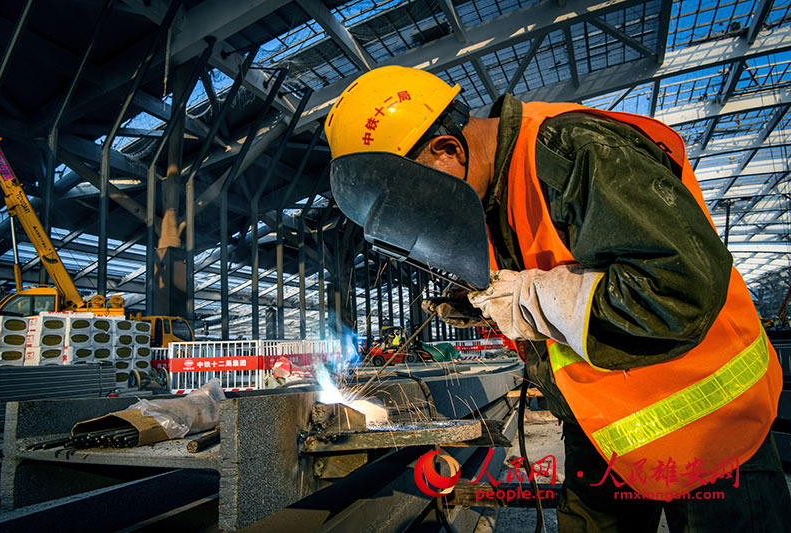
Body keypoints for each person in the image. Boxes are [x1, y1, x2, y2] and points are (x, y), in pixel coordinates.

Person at [325, 66, 790, 532]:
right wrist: (491, 303)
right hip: (602, 430)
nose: (425, 216)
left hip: (712, 430)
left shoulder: (575, 150)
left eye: (418, 202)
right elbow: (561, 281)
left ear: (448, 149)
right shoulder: (492, 198)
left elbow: (678, 290)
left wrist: (528, 299)